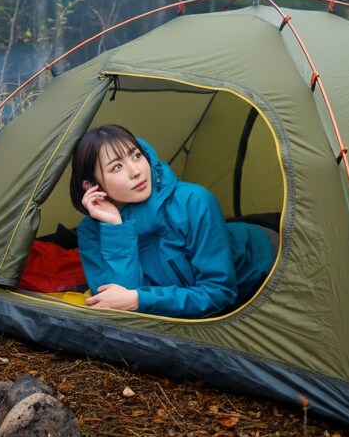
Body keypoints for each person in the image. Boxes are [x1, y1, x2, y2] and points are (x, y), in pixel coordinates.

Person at [69, 124, 276, 318]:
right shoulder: (91, 232)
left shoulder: (195, 201)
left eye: (137, 155)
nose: (136, 171)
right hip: (196, 304)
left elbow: (220, 292)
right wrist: (116, 229)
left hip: (263, 269)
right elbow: (116, 306)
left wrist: (139, 299)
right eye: (117, 167)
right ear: (92, 186)